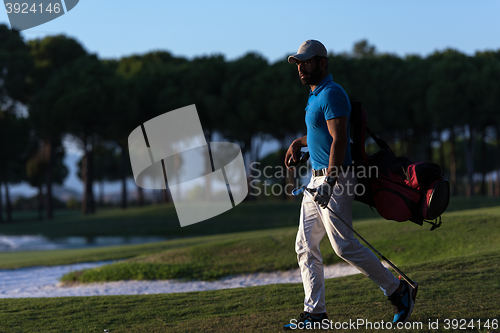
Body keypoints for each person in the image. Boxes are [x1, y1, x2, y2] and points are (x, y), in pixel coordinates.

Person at [283, 40, 417, 330]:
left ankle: (397, 290)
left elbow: (340, 138)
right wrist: (298, 142)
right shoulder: (315, 95)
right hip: (316, 180)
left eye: (307, 62)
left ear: (322, 63)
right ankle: (315, 314)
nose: (302, 68)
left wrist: (330, 180)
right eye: (298, 63)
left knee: (343, 245)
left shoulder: (332, 93)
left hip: (337, 178)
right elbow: (319, 133)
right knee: (305, 246)